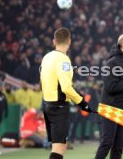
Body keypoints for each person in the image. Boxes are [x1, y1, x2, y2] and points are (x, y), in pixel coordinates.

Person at [40, 28, 96, 159]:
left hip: (47, 104)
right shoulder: (64, 60)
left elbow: (43, 80)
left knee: (59, 146)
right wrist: (81, 102)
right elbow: (66, 87)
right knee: (59, 148)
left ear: (54, 41)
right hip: (59, 106)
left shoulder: (46, 57)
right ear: (69, 42)